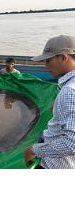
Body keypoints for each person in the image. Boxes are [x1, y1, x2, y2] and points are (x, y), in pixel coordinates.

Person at [25, 35, 75, 169]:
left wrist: (34, 150)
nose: (46, 65)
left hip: (55, 164)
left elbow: (72, 143)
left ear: (64, 58)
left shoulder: (70, 91)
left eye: (48, 60)